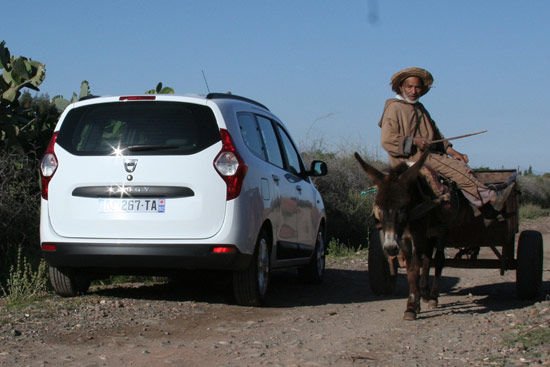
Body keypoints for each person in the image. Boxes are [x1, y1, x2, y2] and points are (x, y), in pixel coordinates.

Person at [378, 66, 513, 214]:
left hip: (427, 155)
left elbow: (437, 136)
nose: (413, 91)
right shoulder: (394, 108)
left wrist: (452, 151)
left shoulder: (420, 108)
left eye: (417, 87)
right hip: (411, 159)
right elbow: (387, 140)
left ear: (422, 89)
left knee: (461, 165)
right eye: (409, 87)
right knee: (457, 170)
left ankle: (476, 205)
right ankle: (490, 197)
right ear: (401, 87)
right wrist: (414, 141)